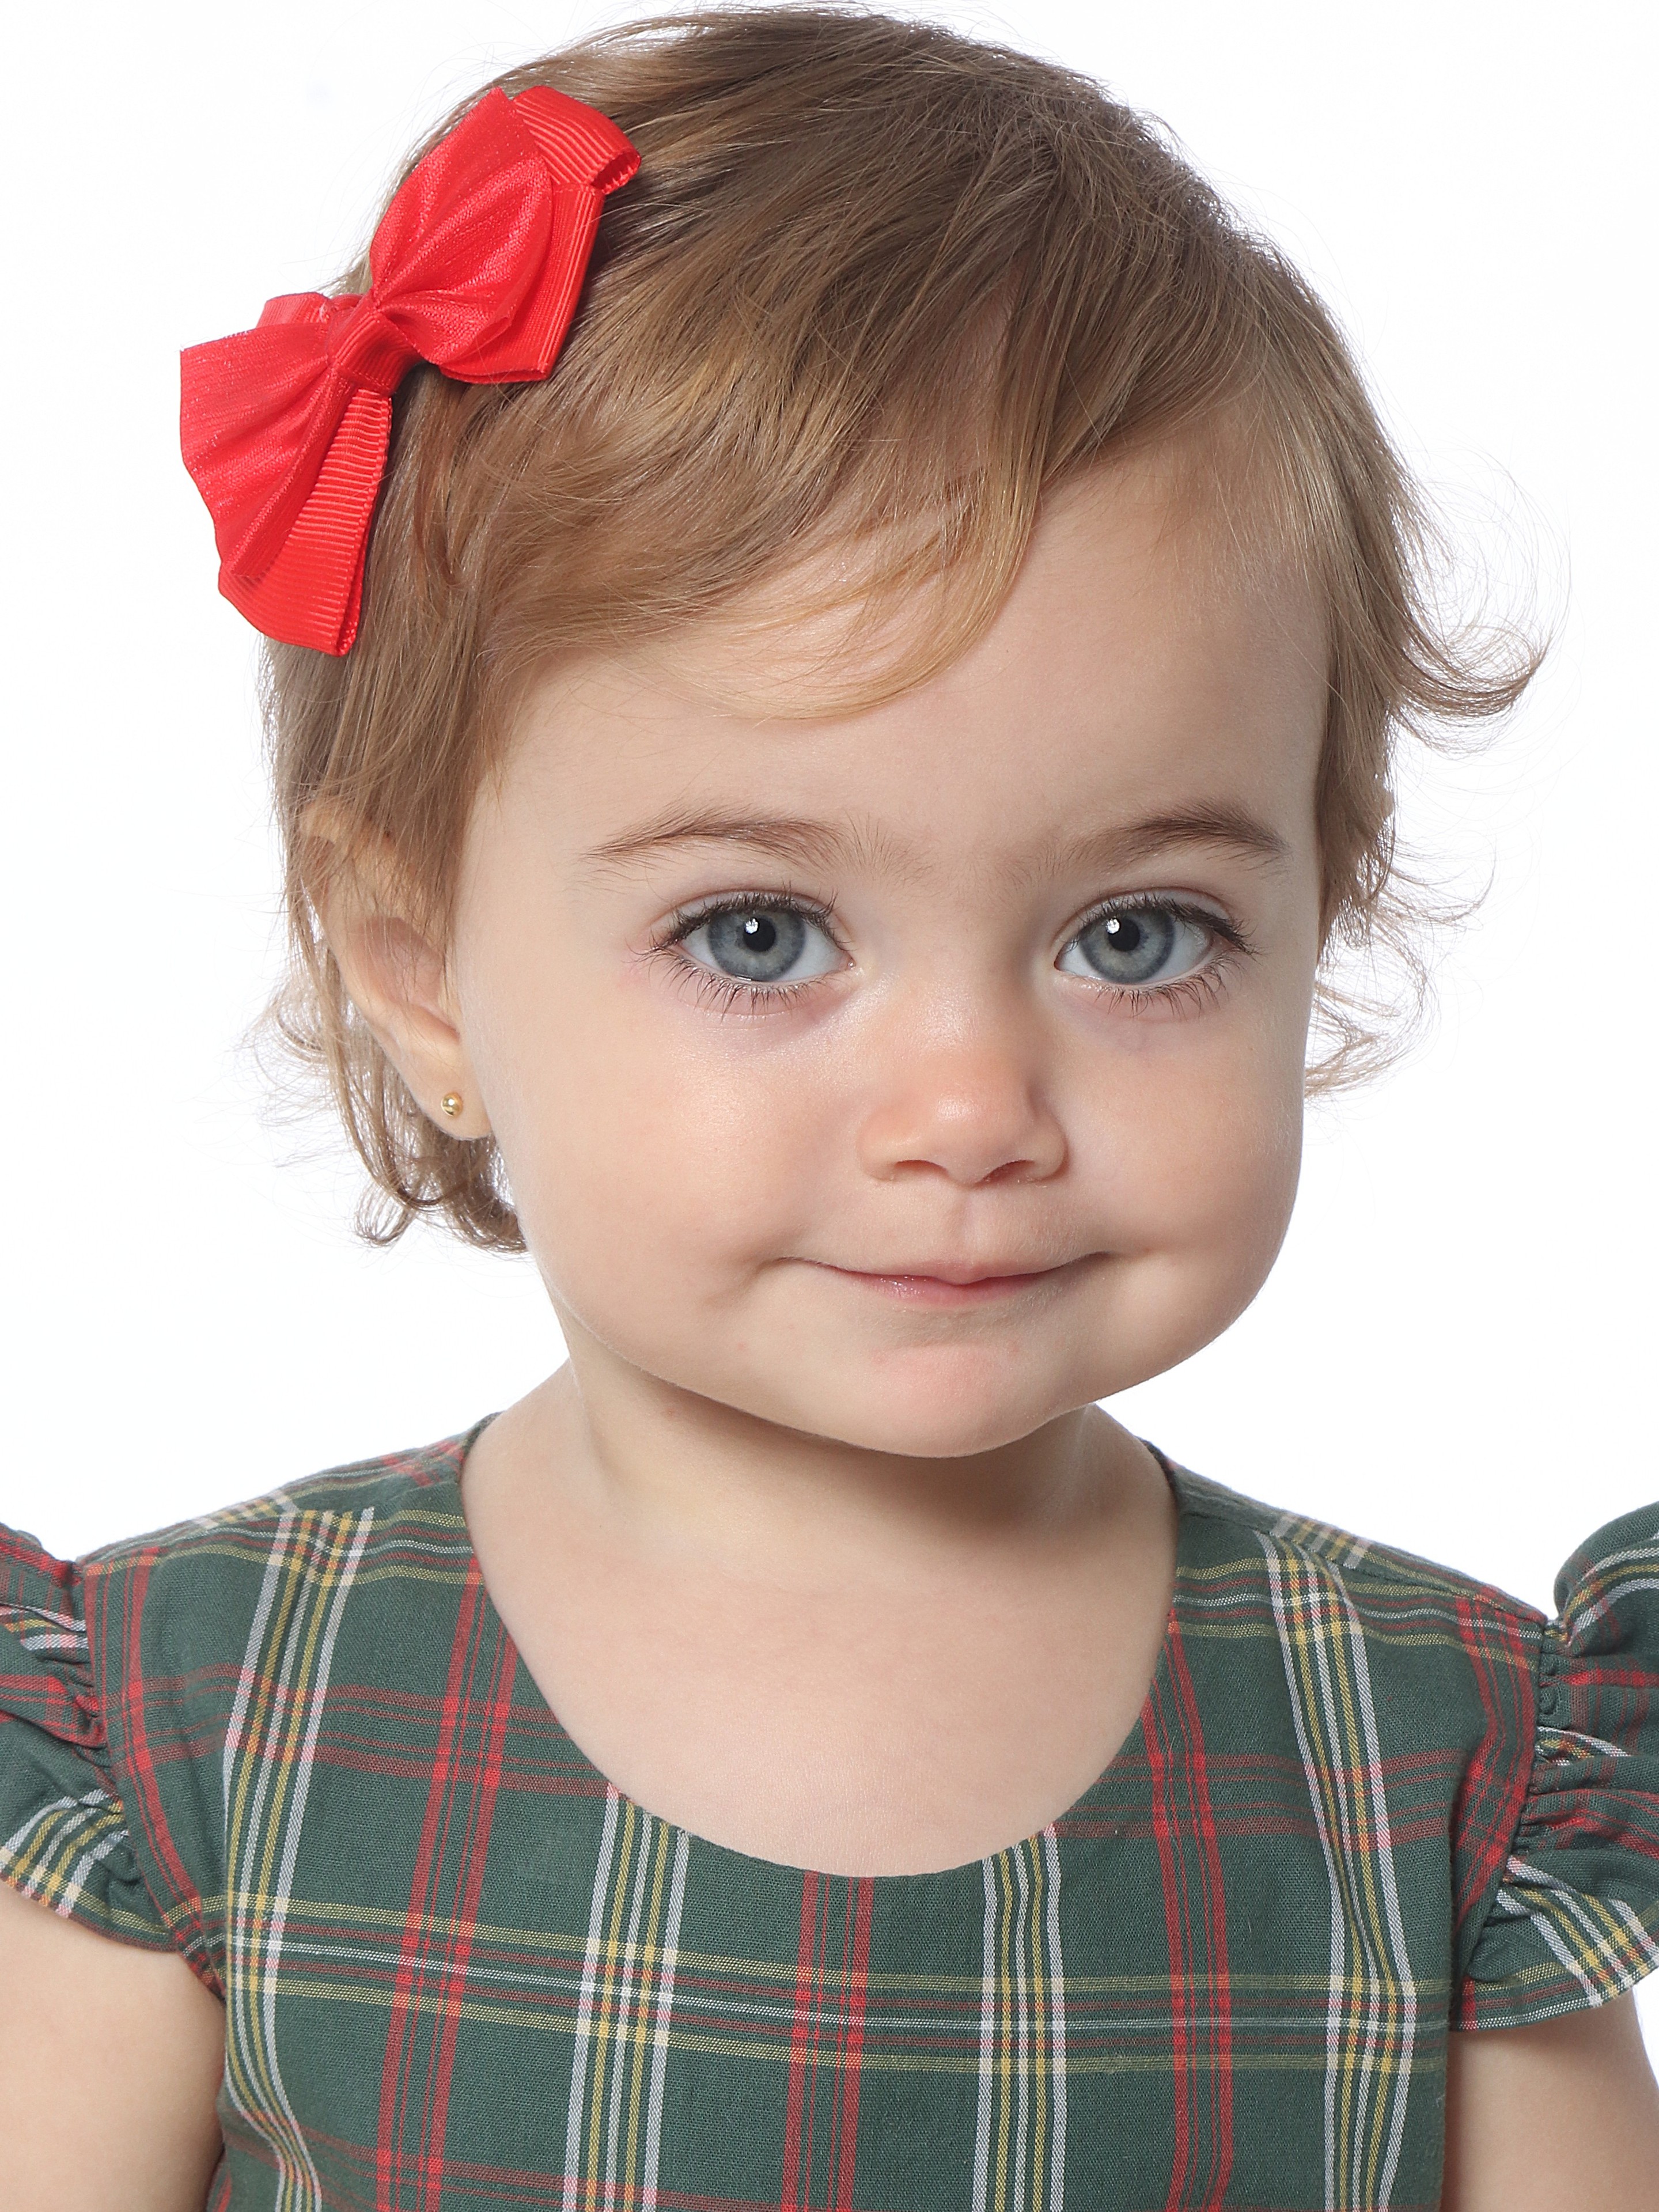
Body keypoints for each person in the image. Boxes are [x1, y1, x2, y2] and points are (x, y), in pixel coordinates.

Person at [2, 10, 1656, 2207]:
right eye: (761, 934)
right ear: (419, 970)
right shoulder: (191, 1746)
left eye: (1137, 933)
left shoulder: (1450, 1778)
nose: (969, 1107)